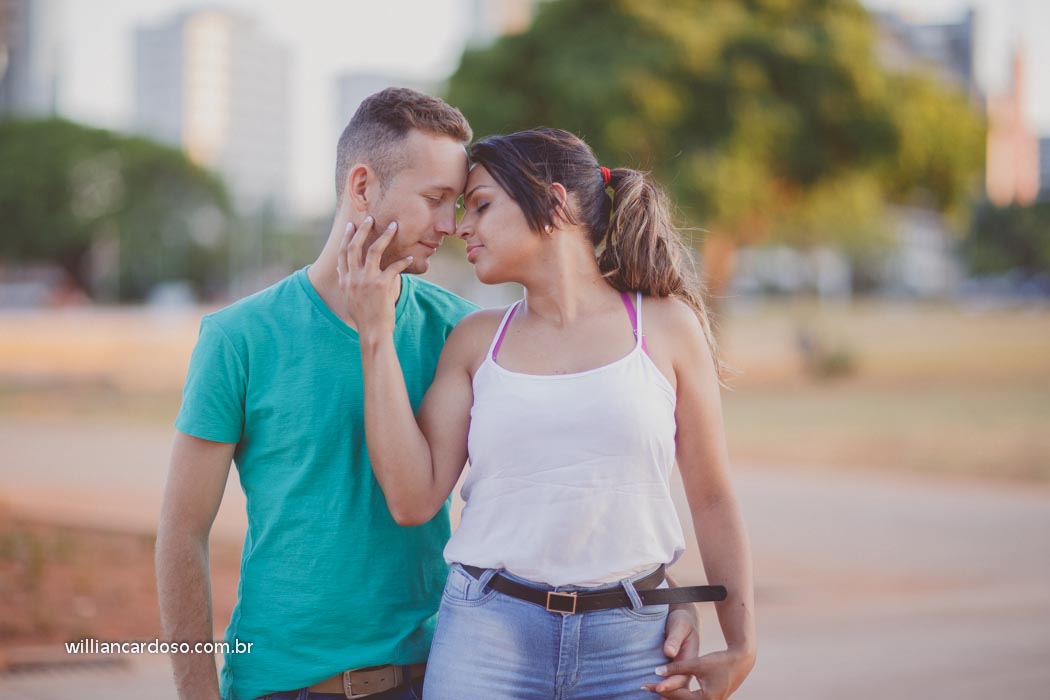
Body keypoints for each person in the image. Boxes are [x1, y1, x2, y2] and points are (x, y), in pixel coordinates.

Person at [156, 89, 699, 700]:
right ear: (363, 187)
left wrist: (659, 595)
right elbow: (182, 533)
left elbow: (573, 482)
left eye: (461, 203)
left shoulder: (466, 335)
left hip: (438, 675)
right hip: (281, 686)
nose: (450, 226)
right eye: (435, 199)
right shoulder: (239, 338)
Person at [342, 128, 757, 700]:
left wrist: (741, 645)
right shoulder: (474, 341)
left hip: (635, 647)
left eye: (481, 205)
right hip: (486, 639)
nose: (461, 227)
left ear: (554, 203)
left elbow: (711, 497)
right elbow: (411, 500)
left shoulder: (667, 326)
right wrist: (374, 334)